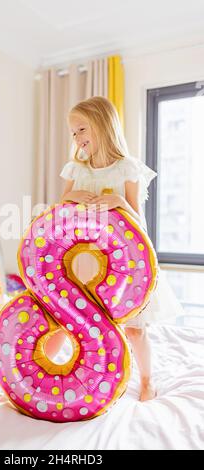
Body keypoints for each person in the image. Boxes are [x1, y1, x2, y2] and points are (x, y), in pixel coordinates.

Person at [54, 96, 184, 401]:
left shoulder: (127, 168)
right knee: (72, 320)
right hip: (84, 261)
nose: (77, 138)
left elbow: (138, 221)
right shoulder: (76, 170)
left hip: (122, 263)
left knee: (134, 329)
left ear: (102, 125)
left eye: (81, 129)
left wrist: (120, 203)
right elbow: (59, 209)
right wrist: (74, 197)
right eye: (73, 133)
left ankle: (147, 380)